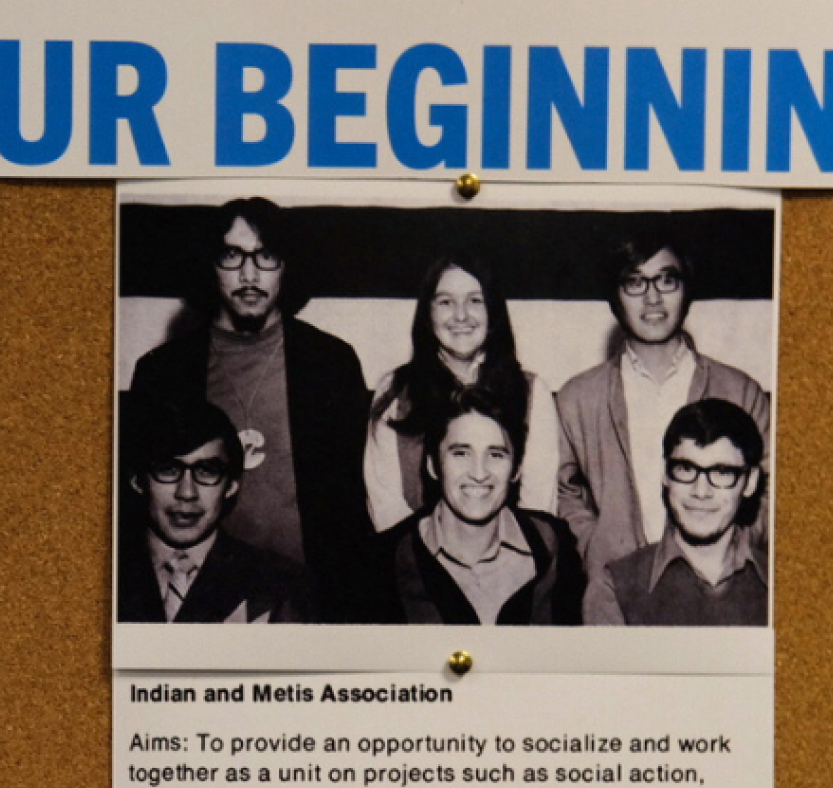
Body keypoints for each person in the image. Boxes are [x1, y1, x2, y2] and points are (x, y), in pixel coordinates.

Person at [124, 196, 372, 616]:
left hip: (313, 600)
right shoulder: (163, 370)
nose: (250, 274)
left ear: (286, 267)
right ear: (211, 265)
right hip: (199, 600)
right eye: (233, 256)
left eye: (266, 256)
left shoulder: (331, 363)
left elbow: (349, 504)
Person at [553, 233, 772, 575]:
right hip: (614, 593)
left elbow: (769, 492)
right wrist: (595, 549)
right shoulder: (577, 398)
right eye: (635, 283)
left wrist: (735, 558)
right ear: (615, 295)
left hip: (717, 590)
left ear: (687, 291)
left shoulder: (741, 391)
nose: (652, 298)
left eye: (667, 280)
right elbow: (566, 495)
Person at [363, 253, 562, 530]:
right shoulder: (395, 391)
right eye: (445, 302)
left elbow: (539, 507)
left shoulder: (531, 392)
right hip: (416, 561)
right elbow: (386, 509)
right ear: (427, 313)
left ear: (493, 312)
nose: (460, 315)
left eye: (475, 301)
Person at [371, 386, 585, 626]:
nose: (479, 473)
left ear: (516, 470)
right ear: (433, 466)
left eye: (496, 455)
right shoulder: (386, 561)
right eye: (461, 453)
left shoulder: (554, 544)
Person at [116, 397, 305, 624]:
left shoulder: (283, 585)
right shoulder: (104, 571)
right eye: (167, 469)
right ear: (137, 481)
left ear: (231, 486)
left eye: (207, 471)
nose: (187, 492)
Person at [598, 397, 769, 626]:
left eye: (721, 472)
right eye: (686, 469)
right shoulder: (614, 586)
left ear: (750, 482)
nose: (700, 491)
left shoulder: (781, 583)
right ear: (664, 473)